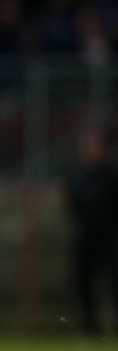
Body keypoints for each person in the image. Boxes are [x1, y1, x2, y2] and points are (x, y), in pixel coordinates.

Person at [66, 125, 118, 336]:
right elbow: (72, 206)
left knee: (113, 283)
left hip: (109, 240)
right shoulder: (78, 176)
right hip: (85, 240)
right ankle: (89, 327)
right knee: (84, 285)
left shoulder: (111, 177)